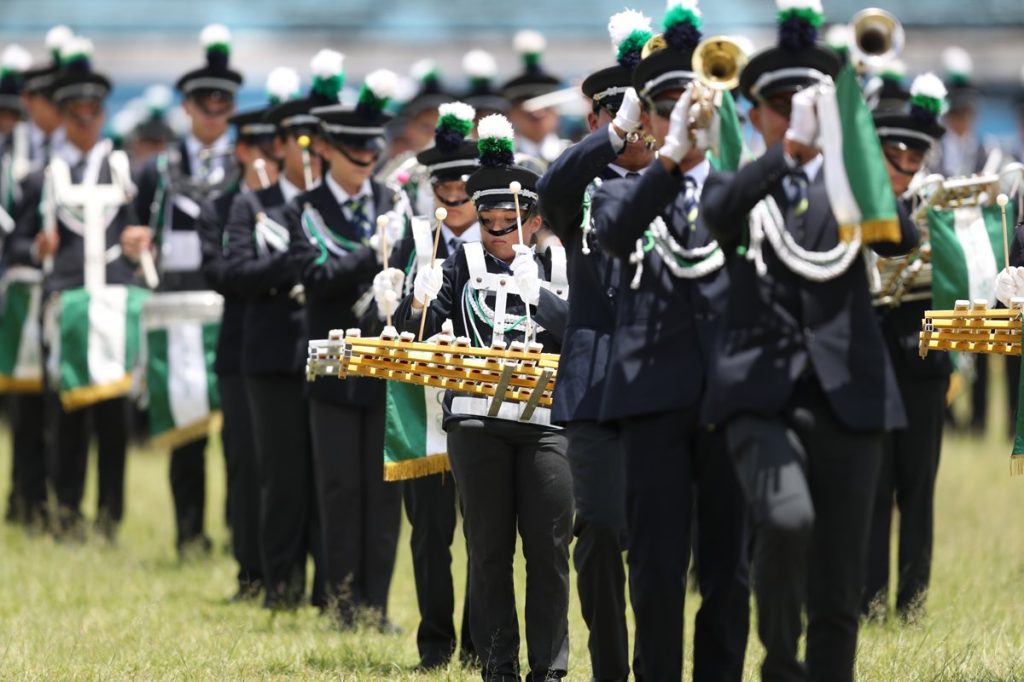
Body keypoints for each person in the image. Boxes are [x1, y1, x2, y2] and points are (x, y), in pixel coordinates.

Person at [698, 1, 918, 678]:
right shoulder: (745, 182)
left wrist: (849, 143)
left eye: (806, 102)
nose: (793, 113)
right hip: (761, 396)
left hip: (850, 392)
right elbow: (716, 214)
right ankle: (779, 658)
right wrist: (788, 152)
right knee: (787, 520)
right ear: (757, 113)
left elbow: (903, 236)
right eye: (779, 104)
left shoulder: (853, 189)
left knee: (839, 580)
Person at [590, 4, 750, 679]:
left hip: (729, 398)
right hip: (652, 399)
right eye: (664, 106)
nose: (680, 114)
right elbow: (613, 232)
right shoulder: (624, 192)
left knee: (728, 569)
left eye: (691, 101)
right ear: (648, 116)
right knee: (655, 568)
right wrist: (668, 158)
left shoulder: (742, 184)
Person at [390, 112, 573, 681]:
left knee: (548, 550)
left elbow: (582, 335)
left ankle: (550, 669)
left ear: (534, 220)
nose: (498, 234)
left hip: (546, 422)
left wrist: (541, 297)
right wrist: (417, 300)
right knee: (489, 550)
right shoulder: (458, 263)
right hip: (474, 421)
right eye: (489, 224)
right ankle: (498, 666)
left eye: (510, 224)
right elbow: (416, 339)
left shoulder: (559, 262)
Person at [534, 9, 656, 680]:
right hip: (596, 387)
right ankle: (611, 668)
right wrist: (613, 135)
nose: (639, 128)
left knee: (663, 543)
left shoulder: (679, 186)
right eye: (622, 115)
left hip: (666, 382)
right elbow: (551, 185)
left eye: (647, 114)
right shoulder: (580, 192)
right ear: (596, 121)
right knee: (602, 531)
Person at [8, 36, 152, 542]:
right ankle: (66, 512)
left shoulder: (124, 171)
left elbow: (143, 229)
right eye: (76, 112)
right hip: (66, 303)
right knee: (66, 411)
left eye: (93, 112)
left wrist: (139, 243)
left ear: (102, 114)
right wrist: (37, 249)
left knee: (113, 418)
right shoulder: (43, 177)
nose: (86, 121)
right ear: (65, 115)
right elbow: (16, 242)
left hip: (113, 301)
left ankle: (109, 517)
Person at [284, 68, 404, 629]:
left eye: (372, 146)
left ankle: (377, 606)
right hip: (331, 365)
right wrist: (371, 252)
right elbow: (314, 275)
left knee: (383, 489)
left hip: (384, 362)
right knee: (338, 487)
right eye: (354, 146)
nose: (366, 156)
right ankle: (342, 603)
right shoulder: (303, 208)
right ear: (327, 148)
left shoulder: (393, 201)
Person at [373, 100, 480, 669]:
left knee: (486, 536)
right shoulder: (412, 240)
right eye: (445, 187)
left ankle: (482, 646)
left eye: (465, 187)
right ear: (432, 188)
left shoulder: (506, 237)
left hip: (484, 402)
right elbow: (388, 324)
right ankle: (435, 646)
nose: (455, 198)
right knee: (429, 533)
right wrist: (397, 301)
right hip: (424, 406)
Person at [134, 23, 243, 557]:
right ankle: (189, 534)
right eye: (205, 103)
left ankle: (238, 533)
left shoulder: (247, 164)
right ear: (187, 106)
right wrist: (133, 240)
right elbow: (135, 228)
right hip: (177, 307)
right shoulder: (158, 169)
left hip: (233, 303)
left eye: (223, 104)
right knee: (186, 428)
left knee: (239, 432)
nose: (214, 112)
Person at [196, 68, 289, 602]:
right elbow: (220, 273)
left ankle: (286, 571)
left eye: (272, 147)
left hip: (289, 345)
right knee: (246, 462)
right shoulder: (220, 206)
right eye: (255, 147)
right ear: (240, 149)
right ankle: (250, 571)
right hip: (240, 350)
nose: (264, 157)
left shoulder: (292, 203)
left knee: (286, 465)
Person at [863, 72, 952, 621]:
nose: (904, 168)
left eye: (913, 159)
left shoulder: (938, 202)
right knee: (873, 485)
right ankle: (870, 602)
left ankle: (913, 604)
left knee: (918, 485)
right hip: (872, 354)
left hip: (924, 355)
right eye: (895, 158)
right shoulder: (863, 201)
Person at [501, 30, 568, 166]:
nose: (538, 113)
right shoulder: (502, 161)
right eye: (528, 106)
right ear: (510, 113)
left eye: (545, 103)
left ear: (556, 109)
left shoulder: (574, 156)